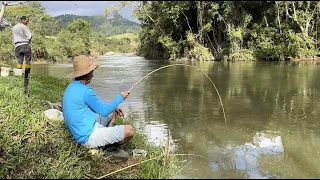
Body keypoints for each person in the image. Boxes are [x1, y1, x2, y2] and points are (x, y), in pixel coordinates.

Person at [62, 55, 134, 161]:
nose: (93, 74)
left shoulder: (71, 86)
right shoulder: (86, 91)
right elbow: (104, 111)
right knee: (130, 130)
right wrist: (121, 97)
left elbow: (100, 108)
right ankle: (109, 148)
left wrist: (114, 108)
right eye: (92, 71)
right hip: (86, 137)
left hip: (79, 129)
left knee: (112, 112)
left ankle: (108, 138)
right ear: (86, 73)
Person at [12, 16, 32, 96]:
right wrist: (29, 39)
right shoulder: (24, 27)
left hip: (17, 46)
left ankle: (18, 73)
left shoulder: (14, 27)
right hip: (25, 44)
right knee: (28, 60)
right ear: (22, 20)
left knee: (19, 60)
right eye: (26, 21)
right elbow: (29, 36)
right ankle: (27, 74)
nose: (27, 22)